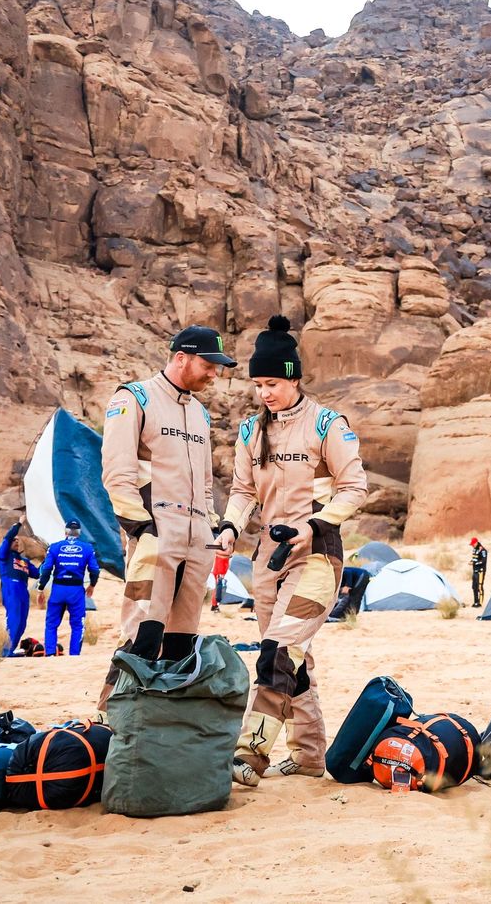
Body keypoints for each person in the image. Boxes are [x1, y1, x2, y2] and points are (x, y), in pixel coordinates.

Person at [217, 316, 367, 787]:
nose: (265, 393)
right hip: (267, 557)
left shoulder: (327, 424)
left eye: (273, 384)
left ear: (294, 379)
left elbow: (354, 487)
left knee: (279, 652)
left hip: (318, 553)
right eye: (258, 384)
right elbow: (243, 491)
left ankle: (249, 754)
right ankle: (307, 754)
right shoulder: (250, 431)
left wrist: (314, 524)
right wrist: (230, 526)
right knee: (291, 657)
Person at [99, 325, 234, 706]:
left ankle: (163, 727)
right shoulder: (134, 398)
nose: (214, 374)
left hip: (197, 541)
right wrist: (142, 529)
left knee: (181, 646)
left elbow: (204, 484)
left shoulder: (201, 414)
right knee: (141, 638)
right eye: (208, 365)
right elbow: (117, 474)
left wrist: (213, 527)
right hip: (156, 536)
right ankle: (114, 722)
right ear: (181, 358)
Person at [38, 519, 100, 655]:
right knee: (78, 625)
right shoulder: (87, 548)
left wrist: (40, 588)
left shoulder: (54, 547)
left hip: (58, 589)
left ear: (66, 532)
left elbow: (46, 569)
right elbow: (95, 570)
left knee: (51, 624)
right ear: (79, 532)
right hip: (76, 590)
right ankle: (74, 655)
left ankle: (50, 653)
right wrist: (92, 585)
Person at [0, 522, 38, 656]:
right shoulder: (4, 555)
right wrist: (18, 524)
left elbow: (38, 573)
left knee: (22, 623)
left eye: (18, 540)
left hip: (23, 591)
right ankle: (5, 651)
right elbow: (8, 538)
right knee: (14, 620)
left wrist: (49, 559)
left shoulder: (24, 560)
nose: (16, 542)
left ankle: (10, 650)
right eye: (14, 540)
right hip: (10, 588)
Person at [210, 548, 231, 612]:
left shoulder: (221, 552)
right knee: (218, 588)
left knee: (218, 588)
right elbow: (217, 551)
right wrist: (227, 554)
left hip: (221, 569)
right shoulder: (220, 551)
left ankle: (214, 605)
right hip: (219, 570)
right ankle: (214, 605)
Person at [469, 537, 488, 607]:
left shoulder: (482, 550)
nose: (472, 545)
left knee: (479, 587)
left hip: (480, 571)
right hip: (475, 571)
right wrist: (471, 561)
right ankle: (476, 602)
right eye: (471, 544)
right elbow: (474, 558)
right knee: (474, 587)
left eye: (473, 544)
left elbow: (483, 561)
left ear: (476, 542)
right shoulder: (474, 549)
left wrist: (474, 563)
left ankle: (480, 603)